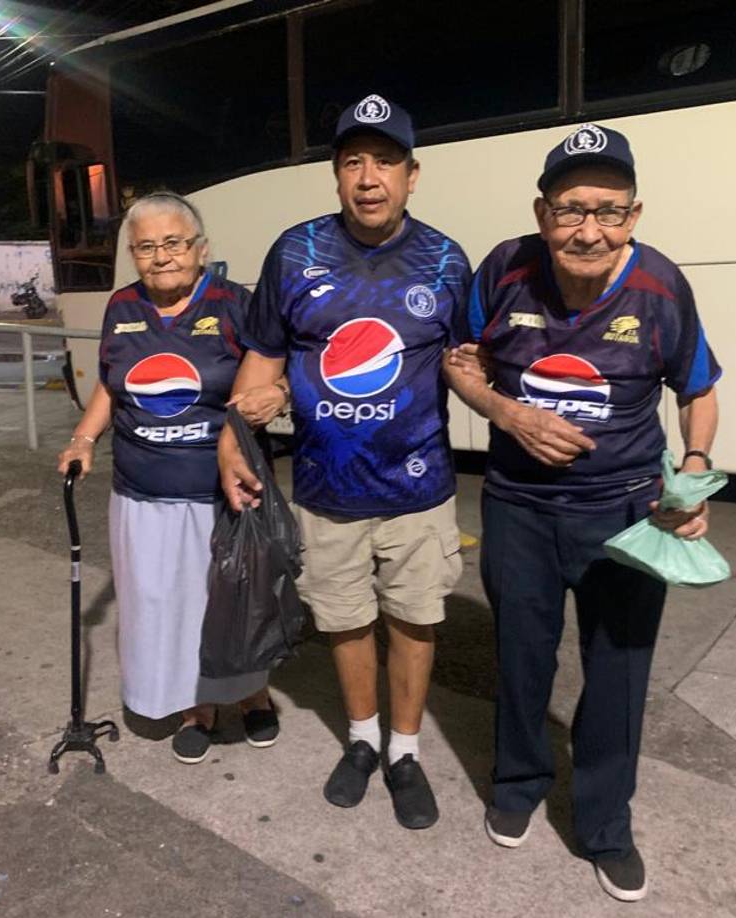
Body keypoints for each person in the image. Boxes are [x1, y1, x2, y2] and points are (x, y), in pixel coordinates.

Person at [444, 124, 721, 901]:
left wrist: (692, 476)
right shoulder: (503, 270)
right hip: (519, 509)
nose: (587, 230)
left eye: (607, 210)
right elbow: (461, 362)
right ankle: (518, 786)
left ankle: (605, 825)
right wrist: (507, 412)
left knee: (619, 674)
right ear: (543, 213)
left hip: (627, 514)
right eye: (571, 209)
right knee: (522, 657)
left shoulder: (662, 287)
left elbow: (697, 390)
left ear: (633, 217)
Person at [217, 94, 471, 830]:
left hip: (419, 487)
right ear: (335, 175)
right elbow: (263, 352)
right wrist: (237, 432)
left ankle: (405, 751)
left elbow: (469, 360)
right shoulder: (294, 251)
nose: (369, 177)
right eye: (353, 161)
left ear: (412, 174)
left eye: (385, 161)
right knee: (345, 620)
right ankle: (362, 740)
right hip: (326, 488)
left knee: (416, 620)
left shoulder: (447, 261)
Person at [57, 192, 288, 765]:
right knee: (163, 602)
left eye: (173, 244)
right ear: (133, 255)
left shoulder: (236, 304)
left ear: (200, 249)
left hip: (224, 489)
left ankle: (250, 692)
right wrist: (84, 439)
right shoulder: (122, 306)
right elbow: (113, 383)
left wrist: (276, 396)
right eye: (146, 247)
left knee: (233, 601)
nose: (161, 257)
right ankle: (195, 706)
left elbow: (271, 370)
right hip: (144, 491)